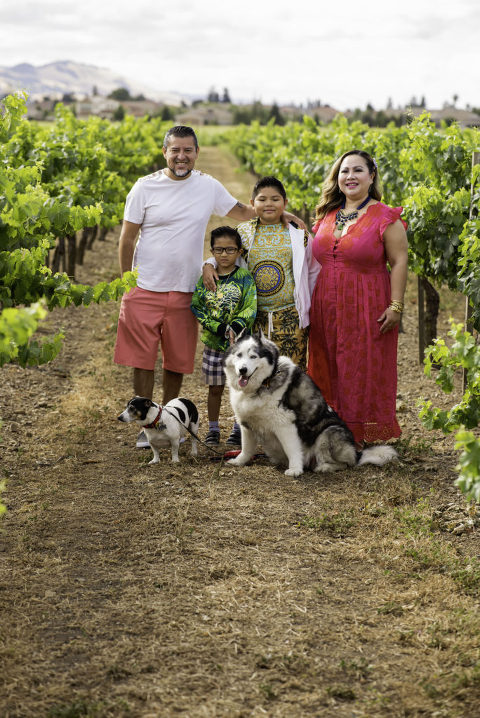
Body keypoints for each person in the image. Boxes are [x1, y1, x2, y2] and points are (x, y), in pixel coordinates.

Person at [114, 127, 303, 448]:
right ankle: (145, 423)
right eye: (175, 150)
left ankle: (166, 419)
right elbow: (127, 238)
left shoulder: (206, 185)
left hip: (187, 289)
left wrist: (280, 212)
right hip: (144, 286)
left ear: (196, 152)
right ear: (165, 153)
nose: (181, 156)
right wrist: (126, 283)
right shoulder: (144, 188)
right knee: (142, 360)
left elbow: (243, 211)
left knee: (176, 361)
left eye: (187, 150)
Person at [307, 149, 408, 447]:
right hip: (326, 302)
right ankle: (331, 429)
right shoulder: (327, 215)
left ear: (371, 175)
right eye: (344, 171)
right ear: (337, 178)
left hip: (367, 301)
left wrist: (396, 305)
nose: (350, 176)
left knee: (362, 365)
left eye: (357, 170)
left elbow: (399, 261)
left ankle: (358, 434)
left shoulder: (384, 216)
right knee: (328, 362)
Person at [203, 176, 320, 370]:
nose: (269, 204)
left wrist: (307, 306)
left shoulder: (300, 235)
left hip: (291, 316)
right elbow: (225, 254)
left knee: (290, 373)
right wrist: (208, 264)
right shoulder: (243, 233)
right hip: (255, 319)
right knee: (256, 374)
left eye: (275, 199)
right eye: (262, 199)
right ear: (252, 203)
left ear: (285, 203)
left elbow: (314, 270)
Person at [191, 226, 257, 447]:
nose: (224, 254)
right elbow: (197, 306)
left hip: (239, 347)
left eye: (230, 249)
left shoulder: (244, 278)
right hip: (214, 344)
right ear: (212, 251)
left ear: (239, 251)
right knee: (215, 388)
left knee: (240, 386)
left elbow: (250, 306)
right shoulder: (208, 278)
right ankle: (213, 428)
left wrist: (237, 325)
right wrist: (218, 328)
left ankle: (239, 428)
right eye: (219, 250)